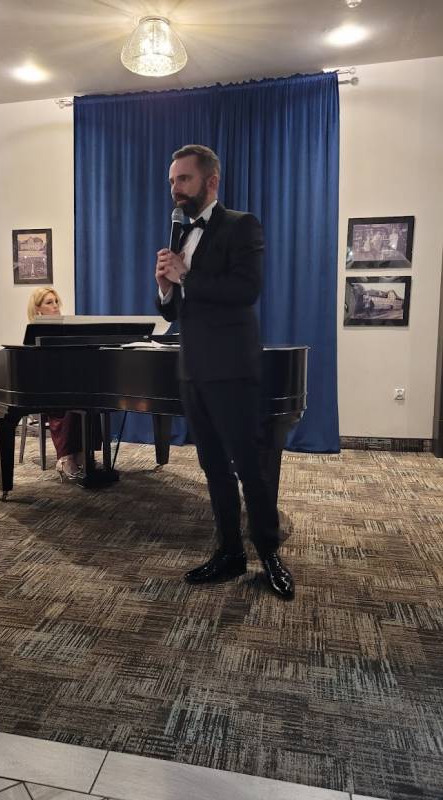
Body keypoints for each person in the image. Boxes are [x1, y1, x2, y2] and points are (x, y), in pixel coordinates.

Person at [155, 144, 294, 600]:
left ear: (210, 181)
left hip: (233, 369)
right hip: (192, 369)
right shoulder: (179, 234)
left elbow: (245, 290)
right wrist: (165, 288)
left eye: (184, 179)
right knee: (212, 466)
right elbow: (173, 312)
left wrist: (185, 276)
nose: (175, 188)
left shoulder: (241, 225)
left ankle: (269, 554)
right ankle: (229, 552)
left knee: (250, 467)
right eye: (172, 180)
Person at [27, 287, 82, 480]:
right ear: (38, 309)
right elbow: (34, 369)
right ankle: (66, 457)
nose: (55, 306)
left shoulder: (67, 330)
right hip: (44, 389)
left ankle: (83, 453)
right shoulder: (33, 332)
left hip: (65, 385)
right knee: (68, 402)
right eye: (49, 302)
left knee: (89, 398)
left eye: (56, 301)